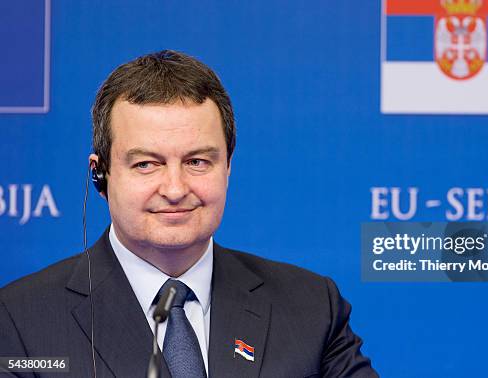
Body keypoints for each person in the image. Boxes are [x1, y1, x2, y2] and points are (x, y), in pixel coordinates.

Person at [0, 50, 377, 377]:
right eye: (147, 164)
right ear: (100, 174)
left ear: (227, 167)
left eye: (197, 161)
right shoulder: (20, 320)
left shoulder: (311, 307)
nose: (176, 189)